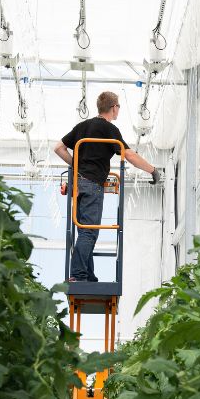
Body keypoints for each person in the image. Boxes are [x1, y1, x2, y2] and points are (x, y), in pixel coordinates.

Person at [54, 91, 160, 283]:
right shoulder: (109, 129)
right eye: (118, 107)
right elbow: (130, 156)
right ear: (114, 108)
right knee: (89, 232)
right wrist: (153, 170)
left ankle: (87, 274)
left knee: (84, 230)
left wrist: (76, 166)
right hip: (93, 185)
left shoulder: (81, 127)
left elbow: (58, 148)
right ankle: (78, 275)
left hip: (77, 184)